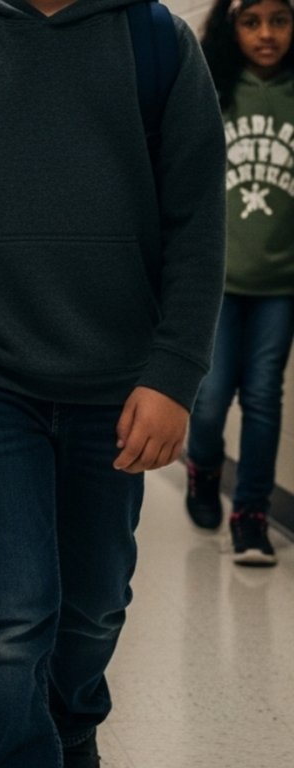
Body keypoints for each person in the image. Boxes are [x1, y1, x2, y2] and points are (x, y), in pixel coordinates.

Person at [0, 1, 226, 766]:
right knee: (8, 615)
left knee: (95, 607)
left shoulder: (158, 45)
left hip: (118, 385)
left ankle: (70, 730)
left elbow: (198, 224)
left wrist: (174, 373)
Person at [185, 0, 294, 567]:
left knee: (262, 397)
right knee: (208, 399)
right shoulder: (212, 89)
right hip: (218, 280)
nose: (268, 34)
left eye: (279, 20)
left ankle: (250, 515)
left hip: (282, 283)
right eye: (253, 22)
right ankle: (202, 468)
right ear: (232, 28)